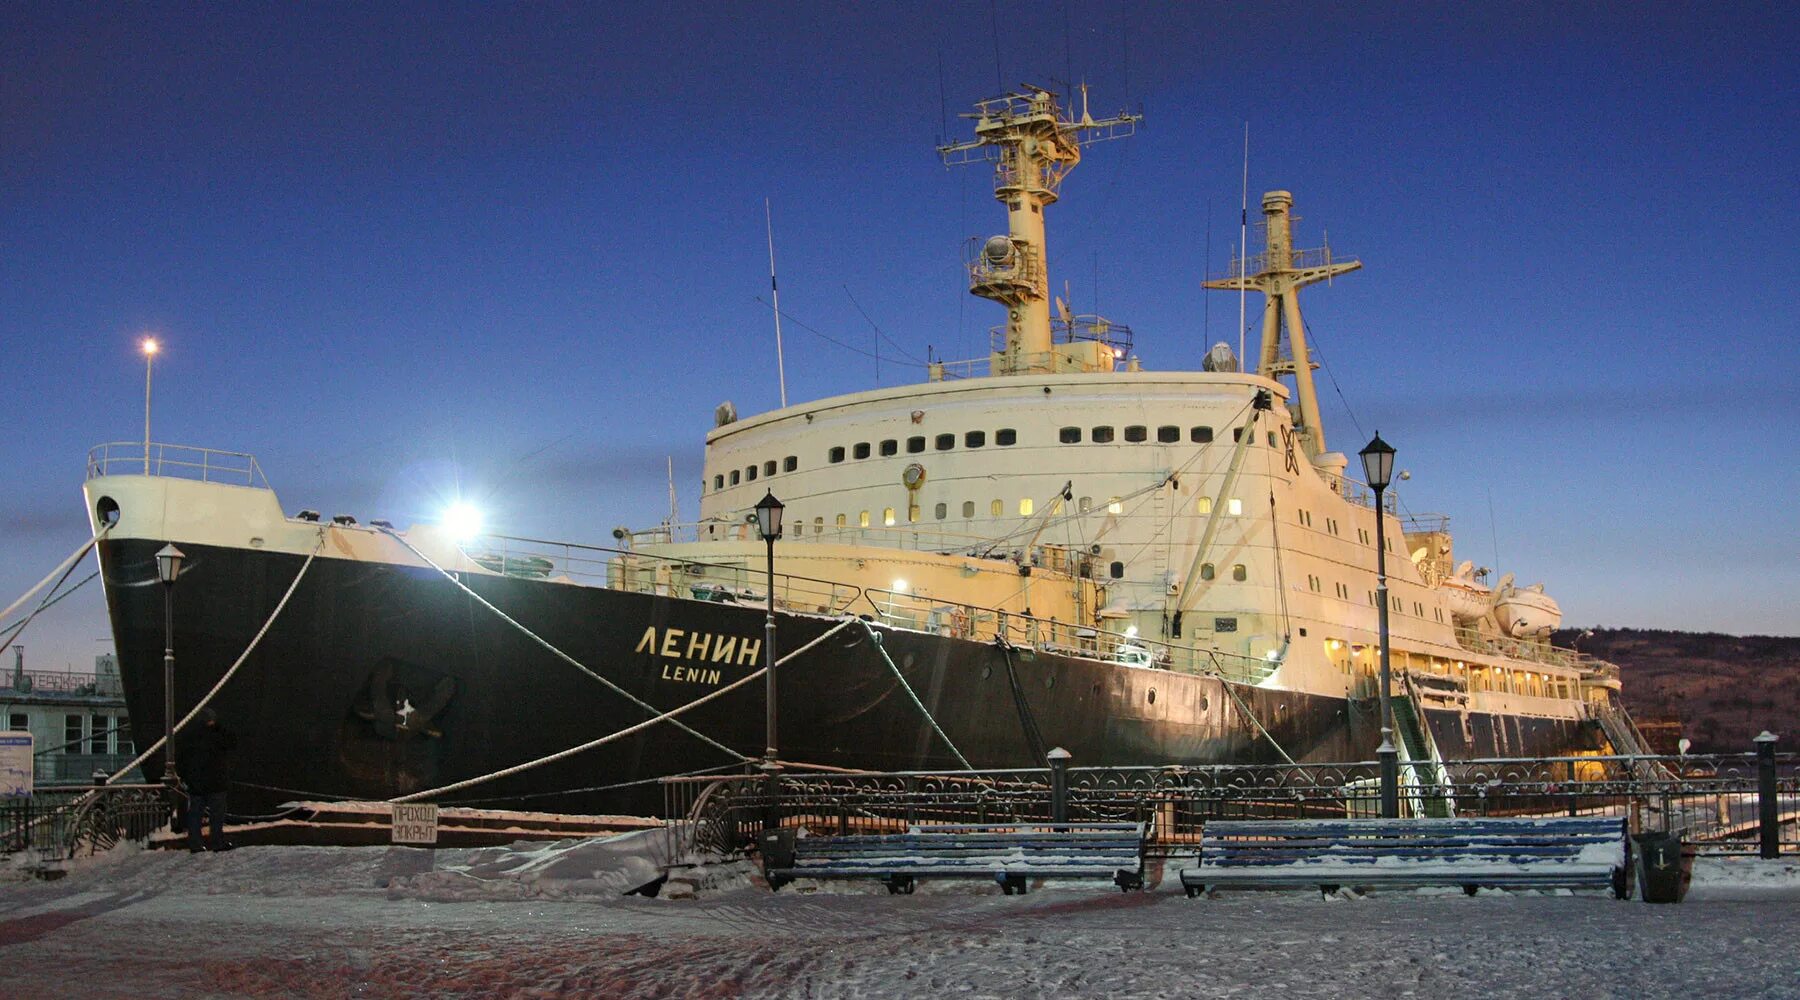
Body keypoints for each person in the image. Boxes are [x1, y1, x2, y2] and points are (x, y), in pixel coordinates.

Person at [176, 708, 237, 852]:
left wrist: (186, 777)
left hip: (196, 783)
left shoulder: (191, 736)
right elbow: (231, 742)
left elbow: (182, 759)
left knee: (195, 815)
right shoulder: (218, 735)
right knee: (217, 815)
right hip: (216, 782)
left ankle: (195, 844)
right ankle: (217, 842)